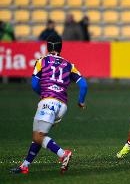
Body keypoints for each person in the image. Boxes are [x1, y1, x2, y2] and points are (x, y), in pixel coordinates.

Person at [10, 34, 88, 174]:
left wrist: (44, 96)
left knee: (38, 136)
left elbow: (34, 85)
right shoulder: (69, 65)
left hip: (48, 101)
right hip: (62, 105)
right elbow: (84, 85)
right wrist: (81, 102)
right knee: (39, 135)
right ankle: (24, 166)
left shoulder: (41, 61)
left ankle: (63, 154)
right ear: (61, 48)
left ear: (47, 47)